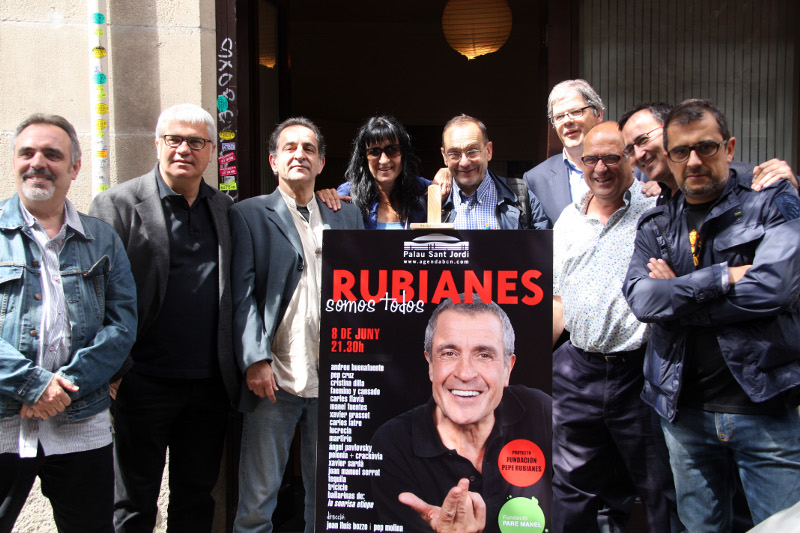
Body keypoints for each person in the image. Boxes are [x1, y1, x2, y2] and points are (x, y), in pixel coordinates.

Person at [623, 98, 800, 531]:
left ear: (729, 147)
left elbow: (776, 287)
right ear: (670, 157)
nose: (694, 161)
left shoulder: (771, 199)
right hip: (683, 412)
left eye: (706, 147)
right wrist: (720, 278)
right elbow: (642, 300)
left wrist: (678, 300)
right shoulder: (656, 224)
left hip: (765, 406)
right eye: (681, 151)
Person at [90, 103, 240, 532]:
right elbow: (94, 294)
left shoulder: (225, 209)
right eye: (174, 139)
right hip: (141, 382)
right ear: (157, 144)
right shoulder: (117, 205)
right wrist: (113, 371)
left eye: (195, 142)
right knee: (133, 502)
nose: (183, 149)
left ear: (210, 152)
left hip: (209, 387)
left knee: (196, 497)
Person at [0, 114, 137, 533]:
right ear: (14, 162)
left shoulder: (102, 238)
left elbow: (122, 325)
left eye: (52, 154)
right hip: (4, 418)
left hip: (80, 423)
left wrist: (63, 387)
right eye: (27, 153)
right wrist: (32, 385)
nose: (38, 163)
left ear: (75, 167)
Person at [230, 117, 363, 533]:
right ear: (273, 161)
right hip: (275, 377)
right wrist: (255, 359)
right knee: (258, 498)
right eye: (289, 147)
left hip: (336, 378)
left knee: (327, 497)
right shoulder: (249, 215)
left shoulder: (347, 216)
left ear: (321, 163)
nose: (299, 154)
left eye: (309, 148)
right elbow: (242, 296)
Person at [551, 122, 671, 533]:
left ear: (630, 159)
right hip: (576, 369)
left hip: (639, 373)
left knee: (658, 487)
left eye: (611, 158)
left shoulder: (656, 209)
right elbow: (557, 300)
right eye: (591, 159)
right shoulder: (568, 219)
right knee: (570, 490)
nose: (600, 168)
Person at [371, 296, 552, 533]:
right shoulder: (393, 443)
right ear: (430, 365)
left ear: (507, 368)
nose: (465, 374)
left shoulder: (541, 411)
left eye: (484, 355)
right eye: (449, 353)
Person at [618, 102, 798, 205]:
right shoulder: (660, 202)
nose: (639, 154)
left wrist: (793, 188)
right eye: (630, 149)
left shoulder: (753, 185)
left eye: (643, 140)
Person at [440, 115, 549, 229]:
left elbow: (541, 240)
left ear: (488, 151)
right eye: (454, 153)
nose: (464, 162)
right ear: (445, 156)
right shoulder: (433, 202)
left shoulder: (520, 197)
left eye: (472, 151)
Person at [523, 79, 606, 225]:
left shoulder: (633, 170)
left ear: (598, 114)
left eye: (575, 112)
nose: (567, 121)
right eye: (559, 116)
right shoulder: (535, 180)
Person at [336, 115, 430, 229]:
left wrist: (445, 173)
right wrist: (324, 196)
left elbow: (445, 188)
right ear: (364, 157)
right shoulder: (348, 195)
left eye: (392, 150)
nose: (384, 160)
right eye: (374, 151)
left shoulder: (420, 190)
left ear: (403, 153)